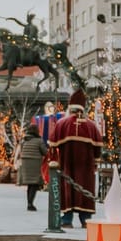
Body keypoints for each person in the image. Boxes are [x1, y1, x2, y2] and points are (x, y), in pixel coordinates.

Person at [47, 90, 102, 228]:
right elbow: (98, 150)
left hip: (67, 164)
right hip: (86, 167)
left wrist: (54, 161)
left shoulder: (62, 123)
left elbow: (52, 146)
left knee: (68, 189)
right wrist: (95, 163)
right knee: (85, 188)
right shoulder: (91, 126)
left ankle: (67, 219)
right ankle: (85, 220)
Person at [15, 121, 47, 212]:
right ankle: (30, 203)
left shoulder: (24, 140)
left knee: (30, 184)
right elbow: (45, 152)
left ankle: (29, 202)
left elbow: (21, 151)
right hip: (35, 163)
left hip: (25, 163)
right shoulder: (39, 141)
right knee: (34, 183)